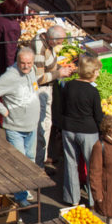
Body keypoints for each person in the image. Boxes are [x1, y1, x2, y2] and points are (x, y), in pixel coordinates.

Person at [0, 46, 41, 206]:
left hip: (31, 126)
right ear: (17, 61)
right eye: (23, 63)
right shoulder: (10, 76)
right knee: (19, 162)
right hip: (15, 127)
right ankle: (21, 197)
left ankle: (26, 189)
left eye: (29, 63)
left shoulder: (32, 70)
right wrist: (2, 110)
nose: (26, 66)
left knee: (30, 159)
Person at [56, 55, 104, 207]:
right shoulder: (92, 92)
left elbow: (61, 107)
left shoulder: (68, 86)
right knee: (92, 165)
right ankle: (92, 199)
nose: (98, 73)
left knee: (71, 163)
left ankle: (73, 199)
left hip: (69, 129)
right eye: (97, 71)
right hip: (88, 131)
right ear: (91, 72)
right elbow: (98, 116)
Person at [32, 26, 77, 168]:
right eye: (59, 42)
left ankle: (42, 159)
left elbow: (47, 65)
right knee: (43, 126)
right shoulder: (39, 50)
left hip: (47, 88)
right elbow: (38, 78)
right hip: (41, 91)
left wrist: (59, 67)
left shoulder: (44, 40)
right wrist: (59, 73)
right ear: (51, 40)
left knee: (46, 124)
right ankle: (38, 165)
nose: (60, 45)